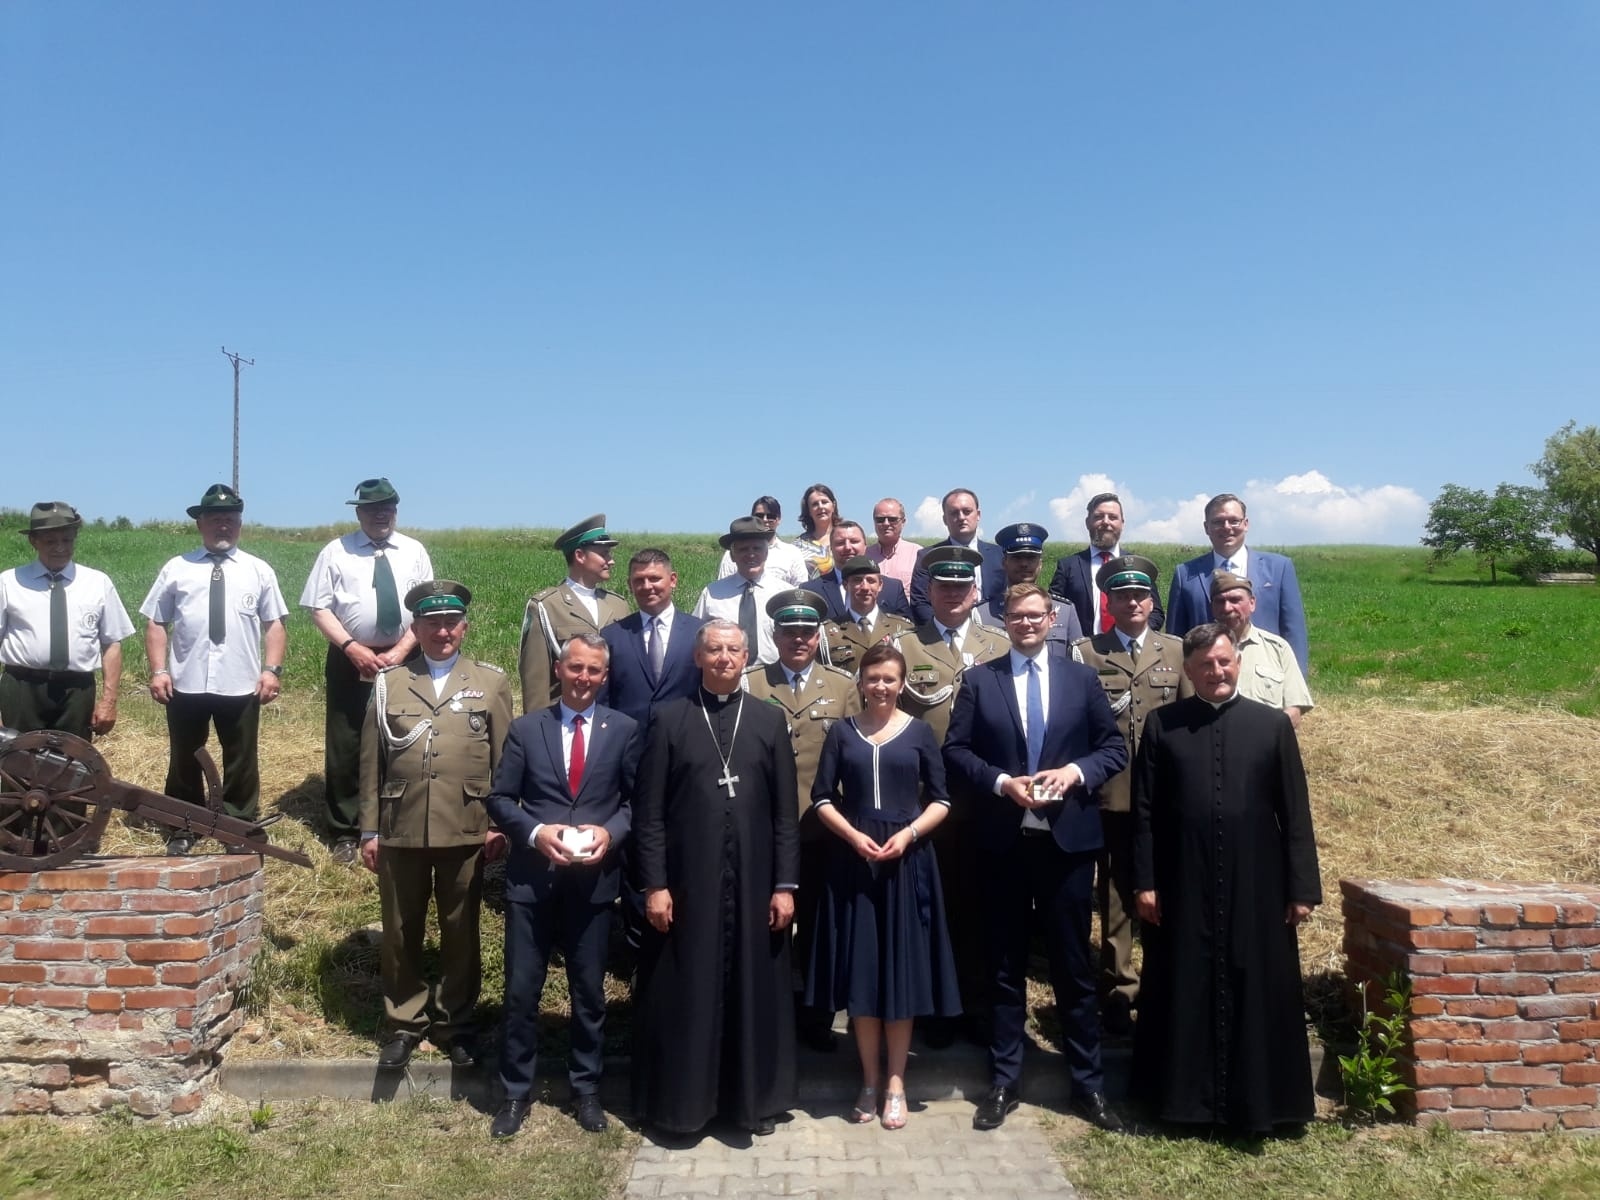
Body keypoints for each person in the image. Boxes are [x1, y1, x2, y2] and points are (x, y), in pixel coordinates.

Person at [944, 582, 1128, 1133]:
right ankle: (1004, 1080)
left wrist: (1074, 773)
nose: (1027, 624)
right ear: (1003, 620)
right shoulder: (981, 680)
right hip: (1002, 844)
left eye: (1036, 616)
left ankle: (1087, 1085)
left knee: (1073, 968)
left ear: (1052, 618)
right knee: (1004, 968)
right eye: (1016, 617)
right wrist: (1002, 783)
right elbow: (956, 751)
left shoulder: (1081, 678)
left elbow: (1113, 748)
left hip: (1067, 847)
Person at [1131, 623, 1322, 1134]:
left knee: (1257, 984)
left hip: (1258, 883)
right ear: (1189, 672)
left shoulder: (1272, 726)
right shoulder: (1162, 725)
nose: (1217, 672)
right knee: (1181, 983)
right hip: (1181, 880)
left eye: (1224, 662)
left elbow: (1295, 810)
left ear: (1237, 663)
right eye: (1205, 666)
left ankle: (1264, 1105)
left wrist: (1302, 887)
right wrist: (1144, 881)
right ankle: (1180, 1105)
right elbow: (1143, 811)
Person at [631, 620, 800, 1137]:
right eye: (714, 649)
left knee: (753, 990)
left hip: (755, 884)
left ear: (747, 656)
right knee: (689, 990)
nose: (724, 657)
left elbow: (785, 815)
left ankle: (752, 1104)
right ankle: (684, 1108)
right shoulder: (668, 719)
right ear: (697, 659)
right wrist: (654, 885)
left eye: (733, 649)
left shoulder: (769, 721)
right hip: (688, 885)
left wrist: (786, 885)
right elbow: (650, 812)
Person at [486, 632, 643, 1139]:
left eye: (594, 671)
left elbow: (636, 804)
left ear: (605, 676)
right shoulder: (527, 729)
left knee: (589, 995)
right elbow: (500, 799)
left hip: (594, 885)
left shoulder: (624, 730)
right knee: (521, 994)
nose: (583, 678)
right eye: (576, 668)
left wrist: (609, 832)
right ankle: (514, 1094)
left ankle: (587, 1090)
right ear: (559, 669)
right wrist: (536, 833)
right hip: (532, 883)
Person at [358, 580, 513, 1070]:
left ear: (464, 627)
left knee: (460, 929)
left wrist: (499, 823)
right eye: (432, 623)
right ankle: (404, 1023)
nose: (442, 631)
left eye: (451, 622)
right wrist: (368, 829)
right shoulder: (389, 683)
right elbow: (370, 762)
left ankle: (456, 1023)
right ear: (416, 629)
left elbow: (506, 761)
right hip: (400, 824)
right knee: (401, 929)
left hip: (468, 824)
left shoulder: (491, 682)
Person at [807, 643, 960, 1130]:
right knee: (864, 975)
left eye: (889, 679)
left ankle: (897, 1081)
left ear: (902, 684)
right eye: (872, 678)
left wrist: (909, 834)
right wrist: (853, 835)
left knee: (900, 975)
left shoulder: (918, 733)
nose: (881, 687)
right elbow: (821, 798)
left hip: (905, 861)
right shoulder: (842, 733)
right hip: (854, 865)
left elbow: (940, 800)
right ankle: (869, 1080)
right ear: (860, 681)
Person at [890, 545, 1009, 1048]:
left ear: (975, 591)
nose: (954, 594)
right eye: (944, 586)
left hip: (988, 797)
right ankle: (935, 1008)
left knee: (986, 906)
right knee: (929, 909)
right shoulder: (904, 645)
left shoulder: (999, 642)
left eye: (963, 586)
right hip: (924, 801)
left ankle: (981, 1005)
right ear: (930, 591)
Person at [1069, 555, 1191, 1037]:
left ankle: (1164, 984)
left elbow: (1187, 724)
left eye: (1140, 594)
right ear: (1109, 602)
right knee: (1116, 893)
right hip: (1107, 795)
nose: (1133, 602)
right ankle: (1119, 988)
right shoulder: (1086, 653)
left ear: (1152, 600)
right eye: (1122, 595)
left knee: (1163, 890)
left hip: (1163, 795)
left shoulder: (1177, 651)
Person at [742, 588, 860, 1053]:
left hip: (820, 829)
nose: (798, 640)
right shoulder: (753, 682)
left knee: (817, 926)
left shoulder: (842, 685)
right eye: (789, 632)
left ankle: (816, 1017)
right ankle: (768, 1014)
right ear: (775, 634)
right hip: (761, 826)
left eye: (807, 632)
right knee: (763, 924)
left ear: (818, 636)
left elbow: (853, 758)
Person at [141, 484, 289, 853]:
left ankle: (238, 825)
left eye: (230, 519)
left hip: (241, 682)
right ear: (199, 524)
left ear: (239, 524)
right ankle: (183, 823)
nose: (223, 526)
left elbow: (275, 625)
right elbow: (156, 622)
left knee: (241, 757)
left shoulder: (258, 570)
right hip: (186, 681)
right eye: (215, 519)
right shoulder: (177, 569)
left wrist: (272, 670)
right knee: (184, 754)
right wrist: (159, 670)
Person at [301, 477, 434, 863]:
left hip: (405, 657)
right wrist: (351, 647)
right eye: (373, 508)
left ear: (396, 510)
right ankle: (345, 830)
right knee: (347, 743)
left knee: (403, 736)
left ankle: (395, 820)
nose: (381, 514)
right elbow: (318, 607)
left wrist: (403, 649)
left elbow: (426, 607)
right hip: (349, 657)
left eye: (388, 507)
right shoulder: (336, 552)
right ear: (358, 512)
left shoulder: (414, 551)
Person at [0, 501, 134, 741]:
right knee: (18, 767)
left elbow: (112, 644)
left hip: (76, 692)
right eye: (51, 541)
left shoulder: (97, 583)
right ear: (34, 541)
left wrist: (108, 701)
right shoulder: (8, 583)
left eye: (67, 540)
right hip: (22, 689)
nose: (60, 548)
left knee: (75, 768)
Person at [1166, 493, 1308, 672]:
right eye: (1218, 522)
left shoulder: (1279, 568)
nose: (1226, 527)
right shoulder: (1185, 574)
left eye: (1234, 521)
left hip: (1265, 680)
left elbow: (1294, 632)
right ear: (1206, 527)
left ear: (1246, 524)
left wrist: (1297, 682)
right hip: (1207, 680)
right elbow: (1176, 639)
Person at [518, 514, 629, 712]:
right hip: (564, 721)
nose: (611, 561)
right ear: (579, 556)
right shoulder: (546, 606)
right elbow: (536, 681)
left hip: (611, 722)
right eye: (604, 554)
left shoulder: (618, 605)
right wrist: (539, 732)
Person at [600, 548, 705, 726]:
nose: (647, 586)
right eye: (639, 580)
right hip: (630, 743)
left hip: (686, 738)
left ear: (673, 580)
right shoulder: (612, 636)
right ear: (629, 585)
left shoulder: (700, 632)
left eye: (655, 579)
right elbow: (603, 700)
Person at [1047, 492, 1165, 635]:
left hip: (1129, 652)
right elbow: (1055, 610)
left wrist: (1134, 638)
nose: (1106, 522)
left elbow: (1156, 613)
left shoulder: (1138, 566)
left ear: (1122, 523)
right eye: (1098, 517)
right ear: (1087, 522)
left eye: (1113, 517)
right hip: (1081, 652)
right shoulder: (1068, 567)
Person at [1210, 570, 1313, 727]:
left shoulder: (1278, 649)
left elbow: (1294, 711)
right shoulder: (1199, 650)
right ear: (1212, 607)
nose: (1227, 608)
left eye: (1235, 600)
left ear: (1252, 603)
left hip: (1267, 747)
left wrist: (1261, 738)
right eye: (1220, 601)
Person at [693, 516, 787, 667]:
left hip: (773, 680)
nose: (751, 554)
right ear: (732, 556)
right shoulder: (712, 593)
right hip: (725, 676)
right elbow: (695, 638)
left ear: (766, 552)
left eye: (757, 548)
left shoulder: (785, 593)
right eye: (743, 549)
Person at [973, 523, 1085, 646]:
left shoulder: (1064, 611)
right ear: (1004, 563)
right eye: (1017, 557)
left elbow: (1075, 661)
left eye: (1031, 557)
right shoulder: (981, 614)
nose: (1024, 564)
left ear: (1040, 564)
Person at [908, 488, 1004, 625]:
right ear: (944, 519)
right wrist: (942, 630)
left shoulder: (999, 554)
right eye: (954, 513)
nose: (961, 517)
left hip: (994, 632)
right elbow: (920, 602)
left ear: (978, 515)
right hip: (944, 633)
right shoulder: (929, 556)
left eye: (967, 511)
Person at [821, 556, 915, 675]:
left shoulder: (902, 628)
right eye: (857, 580)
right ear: (845, 585)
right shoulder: (828, 633)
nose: (865, 587)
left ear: (880, 585)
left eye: (871, 580)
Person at [801, 520, 911, 621]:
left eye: (854, 541)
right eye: (840, 543)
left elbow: (906, 633)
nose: (848, 547)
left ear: (865, 546)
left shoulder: (893, 588)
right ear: (831, 548)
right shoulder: (811, 591)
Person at [715, 497, 812, 586]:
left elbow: (800, 588)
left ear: (778, 519)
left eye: (771, 516)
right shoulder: (733, 553)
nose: (765, 520)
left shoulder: (792, 553)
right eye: (759, 516)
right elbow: (723, 585)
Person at [865, 498, 917, 590]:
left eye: (892, 519)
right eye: (880, 519)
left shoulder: (917, 554)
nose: (886, 523)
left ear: (903, 522)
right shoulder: (864, 555)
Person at [791, 483, 840, 578]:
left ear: (833, 506)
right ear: (808, 511)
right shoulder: (797, 546)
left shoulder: (847, 538)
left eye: (824, 502)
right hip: (810, 592)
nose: (820, 507)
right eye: (815, 504)